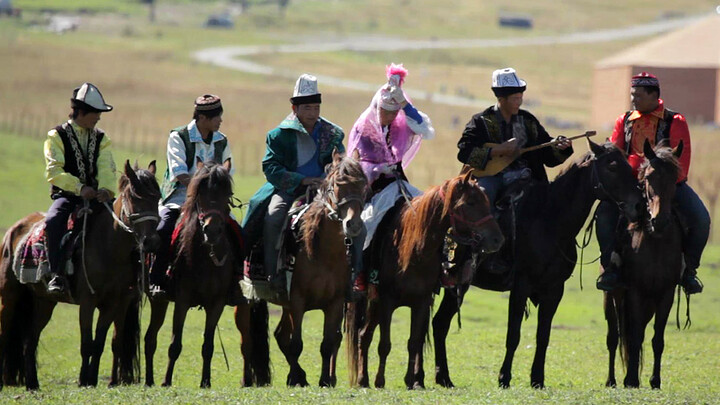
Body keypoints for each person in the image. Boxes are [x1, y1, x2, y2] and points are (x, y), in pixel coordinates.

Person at [595, 72, 710, 294]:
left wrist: (663, 185)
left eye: (637, 95)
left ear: (654, 95)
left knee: (701, 219)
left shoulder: (675, 121)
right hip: (629, 188)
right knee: (604, 215)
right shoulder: (624, 120)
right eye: (632, 95)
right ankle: (610, 267)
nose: (633, 100)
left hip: (666, 187)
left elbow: (681, 162)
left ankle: (689, 271)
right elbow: (615, 154)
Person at [456, 68, 573, 272]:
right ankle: (471, 256)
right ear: (501, 97)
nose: (519, 101)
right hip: (492, 178)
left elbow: (547, 156)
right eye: (514, 98)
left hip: (528, 178)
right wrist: (498, 151)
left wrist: (560, 148)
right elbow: (464, 153)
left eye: (520, 97)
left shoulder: (528, 122)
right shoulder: (481, 121)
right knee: (483, 199)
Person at [242, 74, 351, 291]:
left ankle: (351, 277)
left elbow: (341, 163)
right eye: (307, 108)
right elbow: (270, 167)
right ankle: (273, 274)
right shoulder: (278, 135)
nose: (313, 113)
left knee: (352, 219)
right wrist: (301, 180)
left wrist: (326, 179)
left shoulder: (332, 134)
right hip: (288, 189)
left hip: (324, 190)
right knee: (274, 216)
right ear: (295, 109)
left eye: (316, 108)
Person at [347, 63, 435, 294]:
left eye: (394, 111)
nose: (390, 116)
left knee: (428, 211)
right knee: (368, 224)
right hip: (372, 187)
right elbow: (355, 163)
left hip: (398, 182)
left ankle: (436, 270)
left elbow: (425, 129)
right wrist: (377, 169)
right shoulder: (363, 128)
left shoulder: (400, 122)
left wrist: (405, 105)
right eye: (386, 110)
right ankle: (361, 273)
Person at [150, 94, 237, 299]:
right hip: (179, 198)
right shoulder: (178, 137)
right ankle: (156, 280)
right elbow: (178, 172)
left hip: (212, 202)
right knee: (163, 229)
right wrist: (200, 189)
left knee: (236, 232)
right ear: (203, 118)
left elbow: (227, 172)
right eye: (217, 117)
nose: (220, 121)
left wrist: (214, 193)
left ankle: (236, 281)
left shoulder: (221, 141)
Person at [44, 83, 117, 295]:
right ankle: (56, 273)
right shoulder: (56, 136)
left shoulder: (102, 138)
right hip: (67, 196)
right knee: (53, 220)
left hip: (98, 198)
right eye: (96, 113)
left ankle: (133, 275)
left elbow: (106, 167)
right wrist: (79, 187)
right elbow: (53, 171)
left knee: (124, 222)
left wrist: (106, 189)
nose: (99, 118)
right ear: (82, 112)